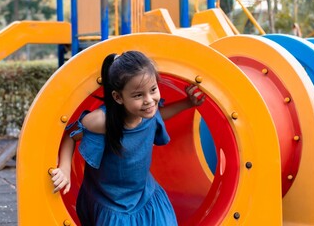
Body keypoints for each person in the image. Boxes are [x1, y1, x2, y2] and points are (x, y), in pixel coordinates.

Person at [50, 51, 205, 226]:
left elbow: (160, 114)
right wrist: (64, 169)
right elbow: (71, 134)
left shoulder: (148, 112)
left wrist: (188, 103)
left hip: (144, 194)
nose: (149, 100)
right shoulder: (101, 121)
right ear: (118, 97)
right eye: (138, 95)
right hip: (111, 201)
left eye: (153, 90)